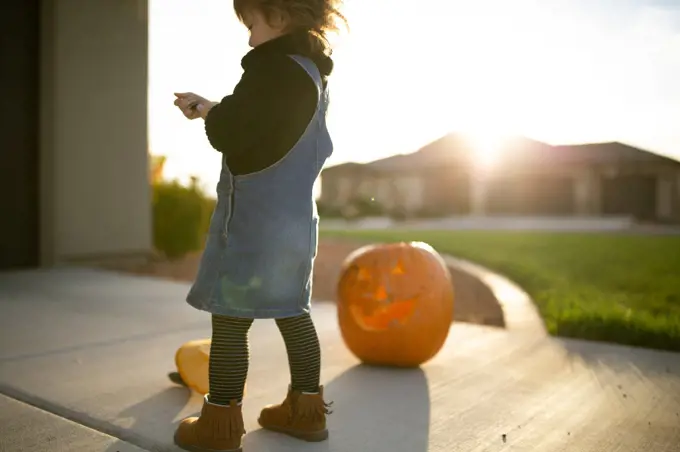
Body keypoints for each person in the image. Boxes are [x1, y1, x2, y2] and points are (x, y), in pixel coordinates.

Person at [171, 0, 346, 451]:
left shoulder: (270, 71)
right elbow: (268, 127)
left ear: (280, 15)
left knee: (230, 317)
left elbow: (235, 131)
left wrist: (209, 111)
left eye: (252, 24)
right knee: (293, 311)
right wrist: (216, 107)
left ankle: (220, 423)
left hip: (254, 221)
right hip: (295, 222)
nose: (249, 38)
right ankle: (305, 410)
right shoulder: (312, 74)